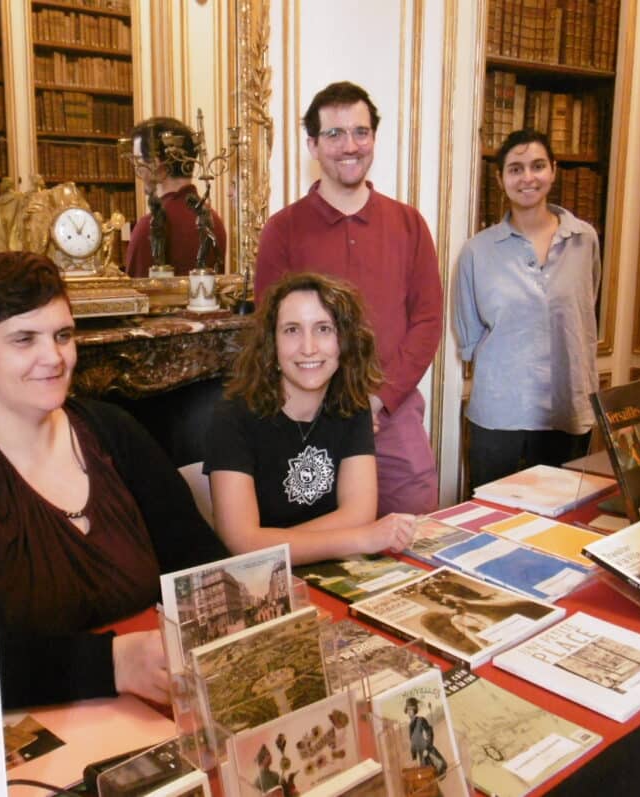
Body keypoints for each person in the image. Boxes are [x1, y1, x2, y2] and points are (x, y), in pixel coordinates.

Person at [0, 252, 229, 708]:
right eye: (23, 339)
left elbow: (202, 567)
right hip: (19, 727)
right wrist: (109, 662)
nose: (53, 358)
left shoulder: (116, 432)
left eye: (62, 335)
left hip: (150, 708)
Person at [255, 81, 442, 516]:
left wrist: (378, 399)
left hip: (393, 415)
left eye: (360, 132)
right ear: (313, 145)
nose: (349, 146)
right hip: (311, 420)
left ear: (374, 138)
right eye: (334, 134)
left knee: (415, 539)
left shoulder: (409, 223)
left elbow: (428, 320)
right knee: (326, 552)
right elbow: (271, 328)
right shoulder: (282, 230)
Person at [205, 272, 417, 565]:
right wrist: (362, 538)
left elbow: (360, 513)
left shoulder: (353, 405)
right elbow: (241, 542)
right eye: (292, 330)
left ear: (344, 341)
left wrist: (272, 544)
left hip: (323, 568)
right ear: (271, 343)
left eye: (323, 329)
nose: (308, 347)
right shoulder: (231, 417)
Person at [453, 128, 600, 488]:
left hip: (567, 409)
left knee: (562, 523)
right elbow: (468, 332)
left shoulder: (584, 239)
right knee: (492, 521)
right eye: (516, 169)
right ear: (501, 178)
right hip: (500, 412)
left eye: (537, 166)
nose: (528, 178)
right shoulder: (478, 251)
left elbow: (584, 311)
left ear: (554, 169)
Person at [126, 116, 228, 277]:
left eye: (138, 161)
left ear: (155, 163)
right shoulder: (214, 221)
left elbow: (135, 297)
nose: (136, 169)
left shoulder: (149, 227)